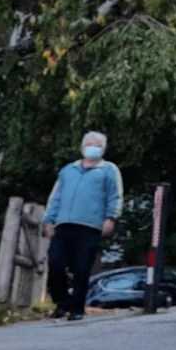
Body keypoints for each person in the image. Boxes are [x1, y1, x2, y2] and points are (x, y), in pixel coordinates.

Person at [42, 131, 123, 321]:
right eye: (88, 144)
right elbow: (56, 196)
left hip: (90, 225)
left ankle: (77, 308)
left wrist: (111, 218)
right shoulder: (68, 170)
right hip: (63, 223)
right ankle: (62, 302)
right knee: (55, 263)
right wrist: (49, 219)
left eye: (96, 144)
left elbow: (115, 196)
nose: (92, 147)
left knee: (82, 267)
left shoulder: (109, 170)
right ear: (81, 147)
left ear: (103, 149)